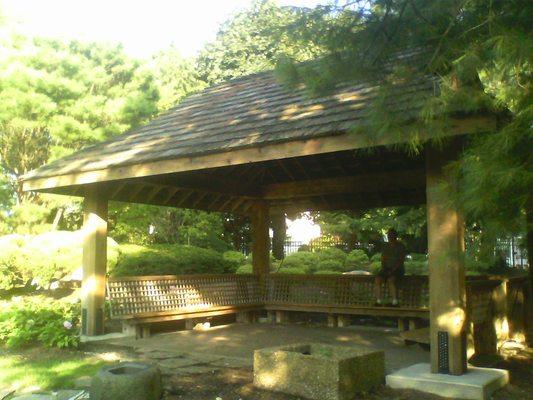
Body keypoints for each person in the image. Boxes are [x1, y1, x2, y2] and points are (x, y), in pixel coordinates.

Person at [374, 228, 406, 306]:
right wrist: (384, 268)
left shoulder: (400, 246)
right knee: (378, 280)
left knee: (391, 280)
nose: (390, 237)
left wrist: (393, 269)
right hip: (386, 268)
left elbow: (400, 260)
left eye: (391, 235)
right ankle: (378, 301)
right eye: (389, 235)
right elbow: (383, 259)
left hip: (398, 269)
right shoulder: (385, 246)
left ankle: (394, 301)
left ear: (395, 236)